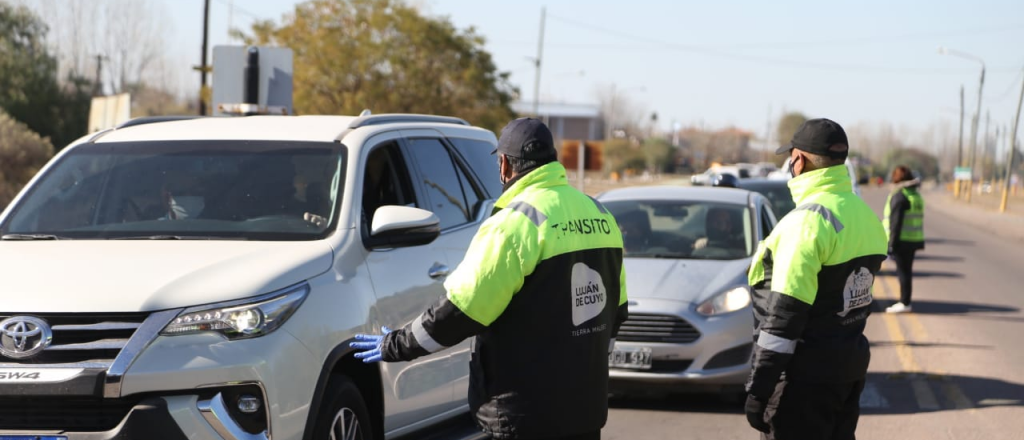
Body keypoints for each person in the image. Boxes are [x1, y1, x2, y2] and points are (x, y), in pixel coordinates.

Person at [351, 118, 628, 440]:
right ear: (553, 159)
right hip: (584, 411)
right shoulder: (600, 215)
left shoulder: (515, 222)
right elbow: (616, 310)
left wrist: (396, 344)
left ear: (504, 165)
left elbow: (462, 310)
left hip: (526, 414)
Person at [744, 118, 887, 440]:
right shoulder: (865, 216)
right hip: (847, 370)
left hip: (803, 380)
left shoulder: (806, 224)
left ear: (799, 160)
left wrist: (758, 391)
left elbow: (784, 319)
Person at [883, 165, 925, 313]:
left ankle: (904, 302)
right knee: (907, 272)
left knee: (903, 273)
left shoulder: (900, 196)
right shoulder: (915, 195)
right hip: (914, 240)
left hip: (901, 241)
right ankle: (905, 300)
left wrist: (890, 245)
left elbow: (895, 223)